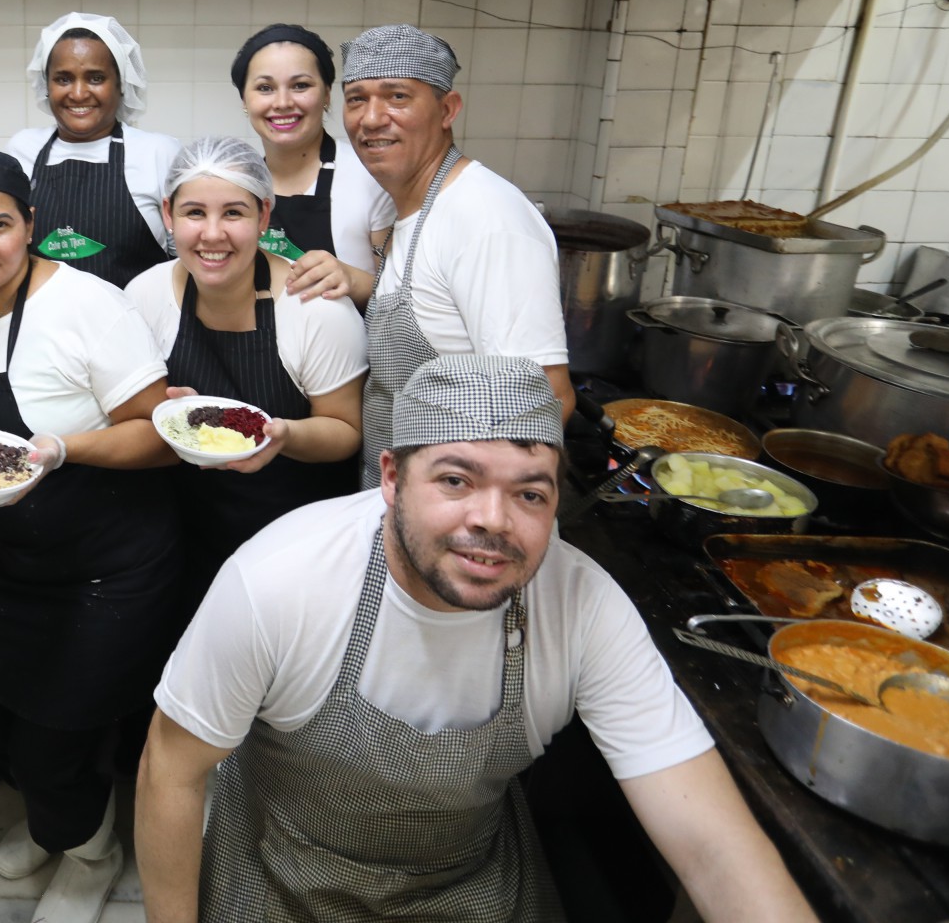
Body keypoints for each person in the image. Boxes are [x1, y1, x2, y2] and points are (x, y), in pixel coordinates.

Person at [136, 356, 819, 923]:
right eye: (457, 480)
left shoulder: (583, 608)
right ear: (393, 479)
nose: (492, 520)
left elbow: (714, 848)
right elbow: (172, 767)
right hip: (277, 869)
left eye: (530, 494)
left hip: (465, 887)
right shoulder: (279, 582)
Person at [0, 149, 181, 923]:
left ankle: (90, 853)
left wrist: (65, 448)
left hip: (111, 567)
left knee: (55, 743)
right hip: (11, 565)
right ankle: (57, 824)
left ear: (31, 225)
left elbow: (158, 435)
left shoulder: (86, 304)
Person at [123, 136, 365, 601]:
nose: (213, 234)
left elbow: (345, 430)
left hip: (296, 546)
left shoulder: (314, 310)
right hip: (180, 537)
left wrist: (285, 435)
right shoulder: (145, 295)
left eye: (233, 213)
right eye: (195, 213)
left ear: (264, 217)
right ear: (169, 215)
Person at [335, 24, 573, 486]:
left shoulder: (487, 218)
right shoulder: (407, 211)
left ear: (448, 109)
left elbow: (545, 399)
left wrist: (471, 520)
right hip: (397, 501)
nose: (371, 118)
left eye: (397, 96)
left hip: (459, 524)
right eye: (356, 98)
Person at [6, 12, 181, 289]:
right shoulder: (22, 149)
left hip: (135, 326)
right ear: (46, 86)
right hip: (41, 327)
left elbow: (182, 259)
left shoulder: (157, 152)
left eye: (96, 78)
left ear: (121, 85)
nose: (78, 93)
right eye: (63, 79)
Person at [229, 24, 393, 301]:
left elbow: (402, 298)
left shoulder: (372, 177)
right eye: (265, 88)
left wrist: (352, 279)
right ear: (245, 99)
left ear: (327, 94)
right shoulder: (237, 183)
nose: (282, 103)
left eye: (300, 86)